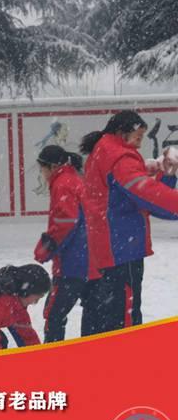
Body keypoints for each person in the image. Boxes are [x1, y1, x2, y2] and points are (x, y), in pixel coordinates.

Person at [79, 110, 178, 335]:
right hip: (120, 249)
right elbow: (146, 194)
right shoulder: (119, 156)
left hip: (106, 247)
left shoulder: (103, 150)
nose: (140, 143)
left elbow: (135, 197)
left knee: (101, 316)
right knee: (124, 318)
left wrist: (166, 175)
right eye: (138, 136)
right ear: (122, 132)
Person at [33, 145, 94, 342]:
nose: (42, 175)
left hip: (72, 264)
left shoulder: (62, 183)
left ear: (51, 167)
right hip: (90, 260)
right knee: (93, 315)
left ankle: (53, 356)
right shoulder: (75, 178)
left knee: (53, 315)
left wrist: (45, 249)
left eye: (42, 169)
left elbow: (66, 222)